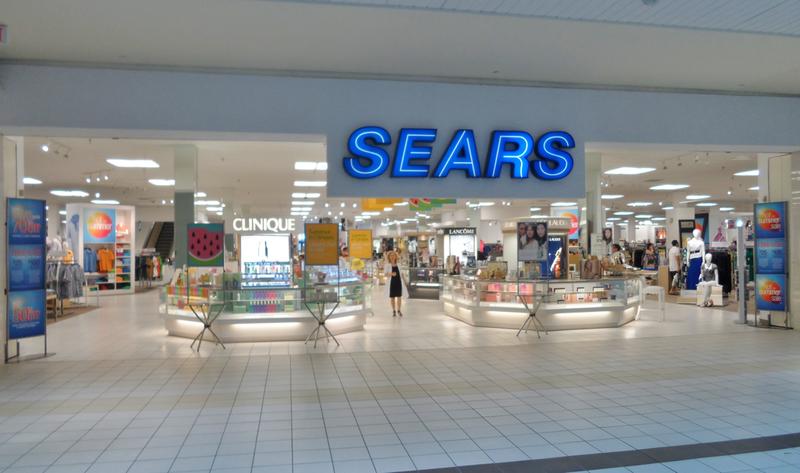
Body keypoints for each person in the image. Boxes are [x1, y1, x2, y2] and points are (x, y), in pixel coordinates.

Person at [384, 251, 407, 317]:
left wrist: (405, 281)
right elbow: (385, 274)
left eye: (394, 255)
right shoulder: (387, 265)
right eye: (391, 255)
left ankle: (399, 310)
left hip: (399, 282)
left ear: (396, 256)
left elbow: (401, 273)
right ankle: (394, 310)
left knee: (399, 297)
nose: (392, 257)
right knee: (392, 297)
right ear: (389, 257)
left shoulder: (399, 264)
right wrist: (391, 274)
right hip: (391, 283)